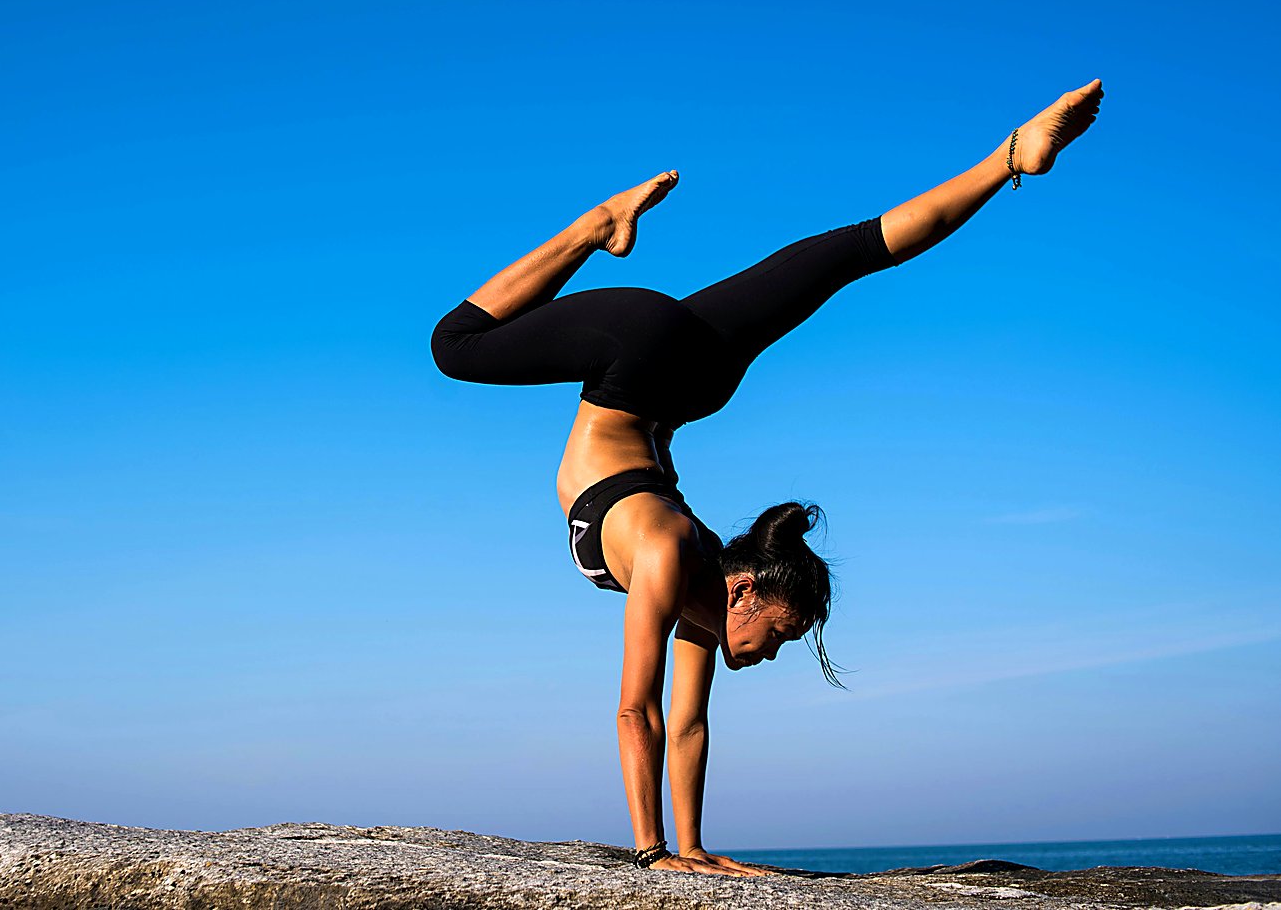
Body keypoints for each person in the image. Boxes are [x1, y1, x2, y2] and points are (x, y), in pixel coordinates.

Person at [430, 80, 1105, 877]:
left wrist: (694, 850)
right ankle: (596, 226)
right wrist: (652, 856)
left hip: (692, 376)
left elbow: (687, 726)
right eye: (781, 634)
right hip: (635, 357)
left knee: (851, 253)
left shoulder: (701, 589)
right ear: (744, 590)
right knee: (456, 345)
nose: (772, 654)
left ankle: (1009, 159)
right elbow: (633, 710)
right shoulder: (675, 554)